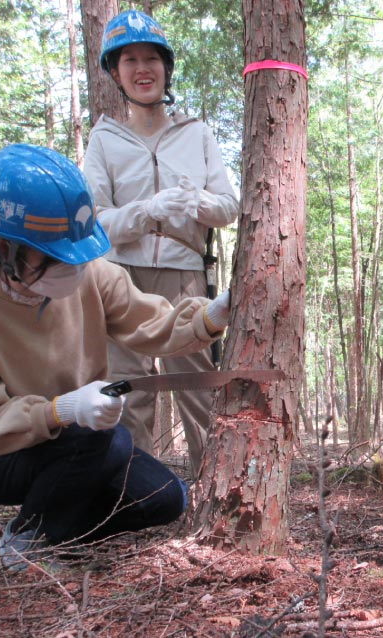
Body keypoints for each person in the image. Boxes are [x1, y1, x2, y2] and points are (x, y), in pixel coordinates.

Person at [0, 144, 231, 571]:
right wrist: (63, 409)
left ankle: (59, 530)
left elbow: (153, 325)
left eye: (74, 253)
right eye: (51, 256)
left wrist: (211, 314)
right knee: (110, 440)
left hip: (83, 443)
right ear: (3, 245)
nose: (69, 268)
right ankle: (28, 538)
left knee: (166, 498)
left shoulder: (92, 274)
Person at [83, 9, 239, 474]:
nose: (142, 68)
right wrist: (146, 211)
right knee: (127, 388)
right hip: (118, 278)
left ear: (166, 68)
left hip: (184, 272)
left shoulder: (198, 134)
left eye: (151, 58)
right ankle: (138, 494)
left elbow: (230, 208)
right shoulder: (103, 140)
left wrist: (197, 202)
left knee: (197, 386)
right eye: (128, 59)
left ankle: (213, 490)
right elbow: (94, 222)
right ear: (115, 71)